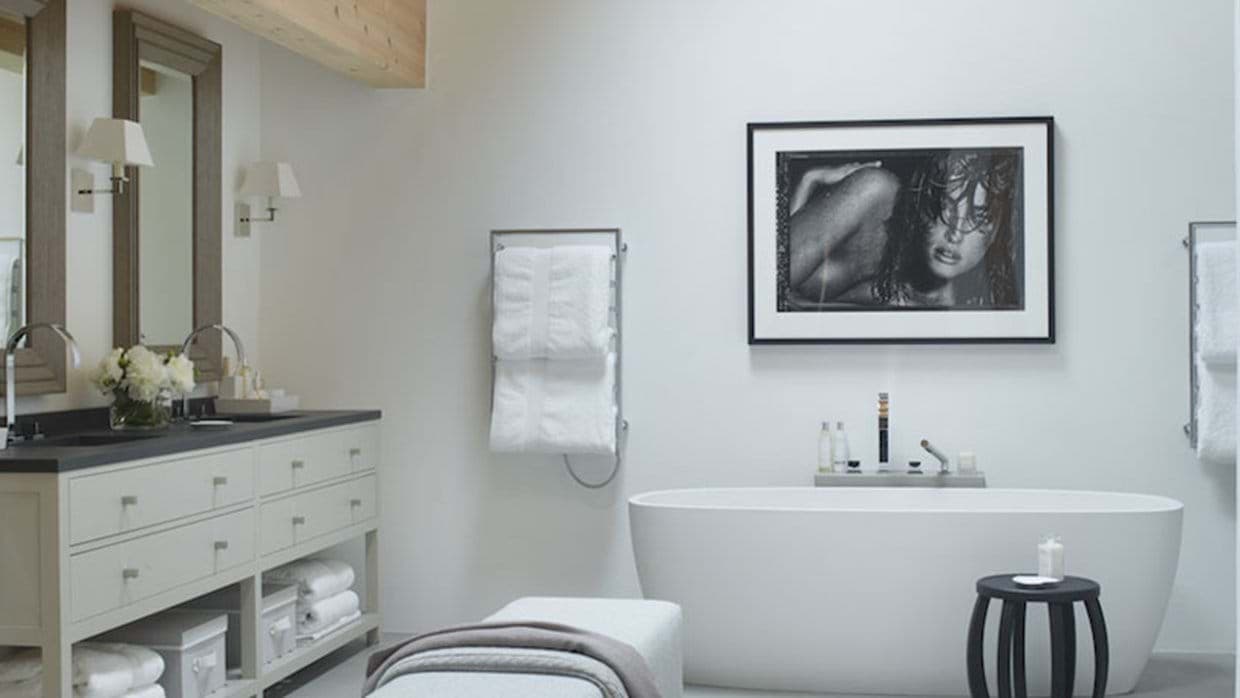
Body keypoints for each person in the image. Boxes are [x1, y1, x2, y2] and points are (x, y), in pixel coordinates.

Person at [786, 149, 1020, 308]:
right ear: (920, 205)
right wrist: (809, 181)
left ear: (997, 232)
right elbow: (767, 296)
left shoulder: (993, 304)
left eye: (978, 216)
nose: (955, 234)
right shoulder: (877, 193)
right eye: (943, 208)